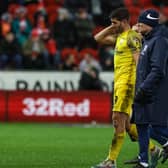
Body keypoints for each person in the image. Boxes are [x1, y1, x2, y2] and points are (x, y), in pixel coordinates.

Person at [92, 7, 143, 168]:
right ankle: (153, 148)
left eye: (115, 23)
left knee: (116, 119)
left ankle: (111, 161)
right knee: (126, 124)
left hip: (128, 84)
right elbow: (98, 38)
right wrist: (112, 27)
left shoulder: (132, 37)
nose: (113, 26)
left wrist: (140, 83)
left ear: (125, 21)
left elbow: (138, 61)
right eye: (111, 23)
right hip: (120, 83)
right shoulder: (120, 36)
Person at [132, 9, 168, 168]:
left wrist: (144, 88)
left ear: (150, 25)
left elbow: (158, 69)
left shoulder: (159, 41)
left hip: (154, 92)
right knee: (141, 124)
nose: (138, 28)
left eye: (140, 25)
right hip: (144, 89)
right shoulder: (148, 39)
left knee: (156, 126)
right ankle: (143, 161)